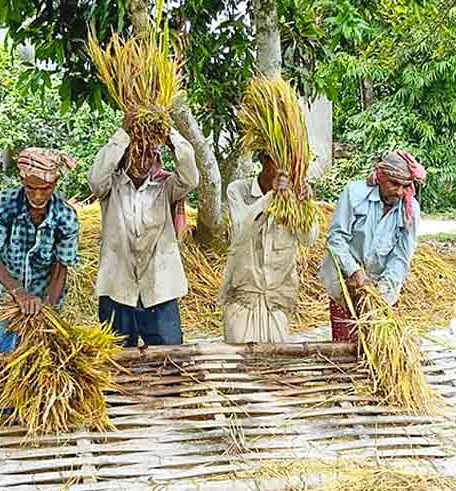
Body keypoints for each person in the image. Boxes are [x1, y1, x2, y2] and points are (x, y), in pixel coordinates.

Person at [88, 109, 199, 347]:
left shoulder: (165, 188)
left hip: (160, 291)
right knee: (117, 364)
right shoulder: (111, 188)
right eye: (137, 153)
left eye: (150, 154)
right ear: (126, 154)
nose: (143, 160)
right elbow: (96, 179)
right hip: (117, 289)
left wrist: (169, 134)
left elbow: (191, 177)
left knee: (169, 361)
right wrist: (123, 133)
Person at [318, 150, 425, 342]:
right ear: (381, 177)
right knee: (346, 343)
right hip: (345, 280)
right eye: (394, 184)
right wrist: (354, 272)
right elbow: (336, 239)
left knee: (382, 344)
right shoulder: (354, 194)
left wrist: (382, 289)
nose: (400, 192)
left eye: (405, 186)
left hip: (380, 285)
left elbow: (401, 256)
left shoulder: (410, 210)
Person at [0, 148, 80, 352]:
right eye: (31, 188)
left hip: (46, 293)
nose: (37, 195)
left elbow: (61, 268)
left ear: (55, 183)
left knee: (42, 355)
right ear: (22, 181)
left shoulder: (66, 217)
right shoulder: (4, 205)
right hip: (8, 294)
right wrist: (18, 292)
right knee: (7, 352)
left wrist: (48, 311)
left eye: (45, 189)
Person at [220, 153, 319, 343]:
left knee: (275, 366)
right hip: (242, 301)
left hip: (277, 302)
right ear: (264, 160)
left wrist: (305, 204)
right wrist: (270, 197)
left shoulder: (294, 197)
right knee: (240, 365)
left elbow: (309, 239)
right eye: (280, 163)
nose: (286, 171)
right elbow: (240, 230)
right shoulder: (238, 191)